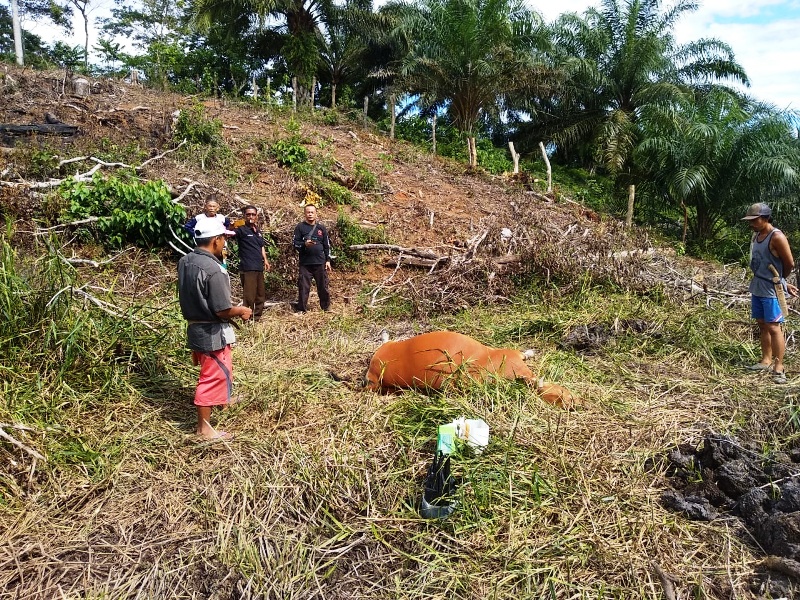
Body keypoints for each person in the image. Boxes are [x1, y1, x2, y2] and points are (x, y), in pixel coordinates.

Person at [178, 219, 252, 439]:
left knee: (221, 370)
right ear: (216, 240)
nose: (224, 244)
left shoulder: (185, 261)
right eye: (224, 239)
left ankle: (222, 400)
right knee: (212, 376)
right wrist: (241, 311)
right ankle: (204, 429)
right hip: (211, 332)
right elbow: (221, 310)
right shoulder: (214, 269)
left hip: (195, 327)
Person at [742, 202, 797, 384]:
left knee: (774, 327)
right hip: (758, 285)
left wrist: (781, 281)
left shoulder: (777, 237)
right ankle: (765, 360)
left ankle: (779, 367)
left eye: (754, 220)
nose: (751, 223)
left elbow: (789, 264)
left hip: (771, 288)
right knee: (762, 324)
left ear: (765, 218)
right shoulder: (756, 235)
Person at [292, 204, 332, 312]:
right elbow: (295, 243)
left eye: (312, 212)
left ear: (316, 214)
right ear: (305, 214)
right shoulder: (300, 227)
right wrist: (305, 244)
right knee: (303, 287)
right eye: (308, 212)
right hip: (305, 264)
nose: (310, 214)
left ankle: (326, 308)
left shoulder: (321, 228)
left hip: (320, 262)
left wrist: (328, 260)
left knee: (323, 287)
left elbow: (326, 245)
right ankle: (301, 309)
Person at [234, 205, 271, 322]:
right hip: (247, 267)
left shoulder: (257, 230)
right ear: (244, 215)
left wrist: (265, 260)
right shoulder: (241, 229)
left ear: (256, 216)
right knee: (249, 296)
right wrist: (234, 224)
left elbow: (261, 246)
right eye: (248, 214)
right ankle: (247, 318)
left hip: (258, 267)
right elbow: (228, 232)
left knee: (260, 294)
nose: (251, 216)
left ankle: (257, 317)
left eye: (253, 214)